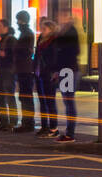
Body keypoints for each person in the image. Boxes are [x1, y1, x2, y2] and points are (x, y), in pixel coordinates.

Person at [53, 14, 81, 143]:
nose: (60, 20)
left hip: (68, 70)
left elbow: (68, 51)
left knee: (68, 101)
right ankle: (69, 132)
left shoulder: (70, 32)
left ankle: (70, 134)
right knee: (67, 100)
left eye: (63, 17)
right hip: (65, 70)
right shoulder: (66, 32)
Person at [11, 10, 36, 133]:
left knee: (26, 96)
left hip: (25, 69)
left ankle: (28, 123)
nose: (17, 22)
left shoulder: (27, 33)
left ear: (23, 20)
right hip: (23, 69)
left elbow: (24, 51)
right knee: (24, 96)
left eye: (19, 20)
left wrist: (15, 51)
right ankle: (26, 122)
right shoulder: (24, 33)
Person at [34, 19, 59, 137]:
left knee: (50, 102)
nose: (42, 31)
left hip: (49, 74)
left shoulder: (54, 41)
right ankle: (44, 126)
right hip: (39, 74)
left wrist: (55, 72)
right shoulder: (40, 40)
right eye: (41, 29)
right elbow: (37, 56)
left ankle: (53, 128)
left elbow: (56, 58)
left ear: (51, 29)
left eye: (44, 29)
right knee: (42, 102)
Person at [0, 19, 15, 132]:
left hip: (7, 72)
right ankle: (3, 121)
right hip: (0, 71)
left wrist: (4, 55)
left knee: (9, 97)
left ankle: (12, 122)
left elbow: (14, 56)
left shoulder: (10, 40)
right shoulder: (1, 40)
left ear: (5, 27)